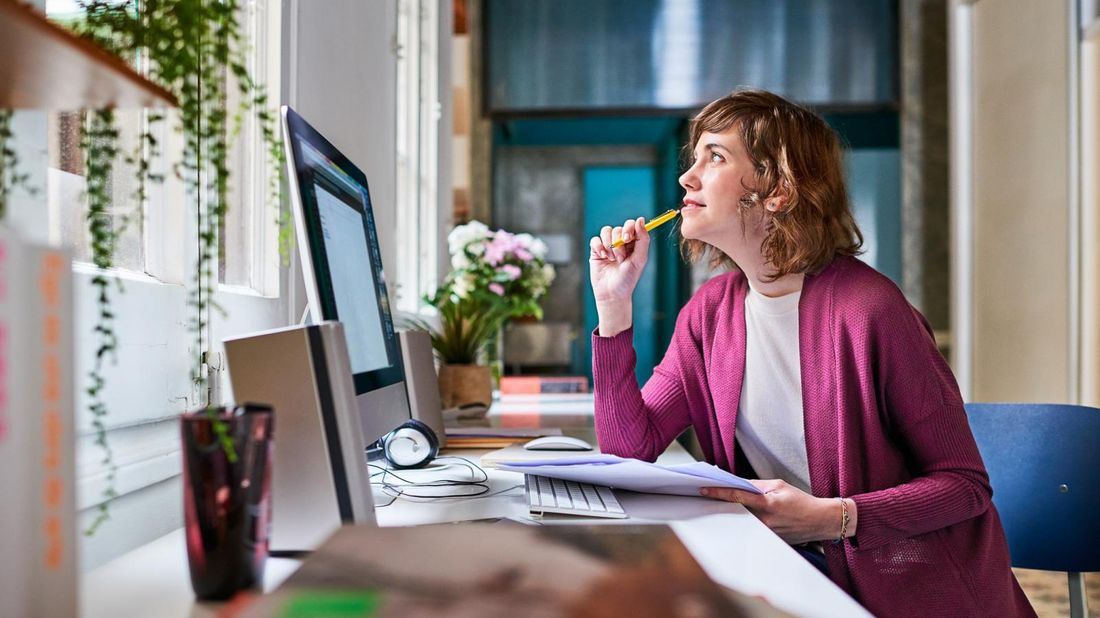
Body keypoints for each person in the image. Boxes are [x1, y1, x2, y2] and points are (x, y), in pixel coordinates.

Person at [588, 89, 1035, 617]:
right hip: (792, 572)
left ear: (777, 189)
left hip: (908, 592)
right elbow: (626, 450)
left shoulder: (871, 310)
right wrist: (613, 309)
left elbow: (965, 487)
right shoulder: (708, 315)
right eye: (695, 157)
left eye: (716, 157)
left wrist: (832, 518)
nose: (687, 177)